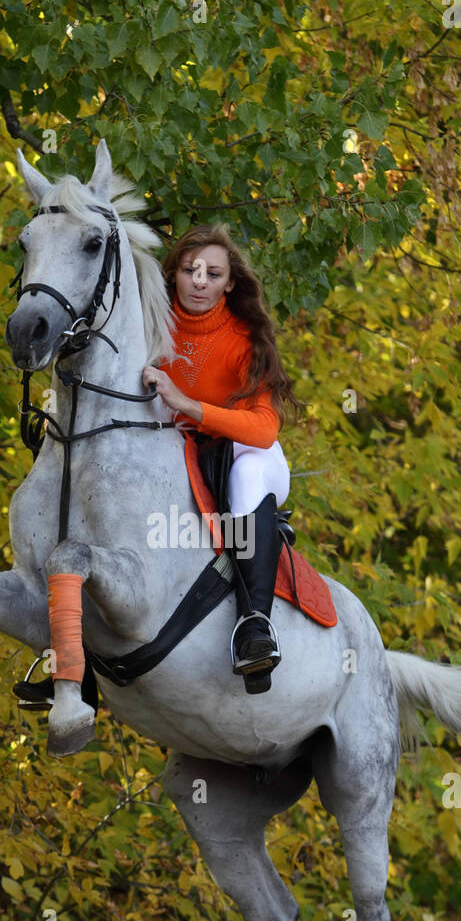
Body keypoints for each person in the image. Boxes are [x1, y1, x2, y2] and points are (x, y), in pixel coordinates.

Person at [142, 224, 301, 691]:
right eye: (190, 270)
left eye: (212, 274)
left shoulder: (243, 338)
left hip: (247, 459)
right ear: (173, 274)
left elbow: (264, 427)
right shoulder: (151, 320)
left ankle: (255, 626)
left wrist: (187, 406)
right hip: (179, 453)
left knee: (249, 472)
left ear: (229, 283)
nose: (199, 281)